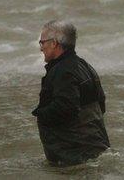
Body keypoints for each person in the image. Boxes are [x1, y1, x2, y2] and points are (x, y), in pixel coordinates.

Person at [32, 20, 110, 166]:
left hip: (73, 156)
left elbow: (66, 107)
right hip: (97, 147)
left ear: (54, 43)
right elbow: (101, 103)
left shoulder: (63, 71)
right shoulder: (84, 66)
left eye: (42, 42)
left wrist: (40, 114)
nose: (41, 48)